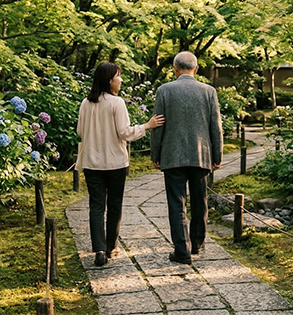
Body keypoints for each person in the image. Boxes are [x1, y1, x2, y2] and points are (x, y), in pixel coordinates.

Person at [77, 62, 164, 266]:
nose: (121, 80)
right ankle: (111, 247)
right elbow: (125, 132)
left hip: (91, 163)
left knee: (96, 206)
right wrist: (147, 125)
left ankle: (99, 249)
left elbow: (80, 131)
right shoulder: (117, 103)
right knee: (114, 205)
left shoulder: (85, 103)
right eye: (118, 76)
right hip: (115, 162)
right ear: (110, 80)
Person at [151, 51, 222, 265]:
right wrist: (217, 155)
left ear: (175, 68)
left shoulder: (164, 90)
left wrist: (156, 153)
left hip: (172, 155)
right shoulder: (209, 91)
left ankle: (182, 250)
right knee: (200, 201)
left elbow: (157, 125)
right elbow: (216, 127)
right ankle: (198, 244)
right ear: (196, 69)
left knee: (176, 203)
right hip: (201, 155)